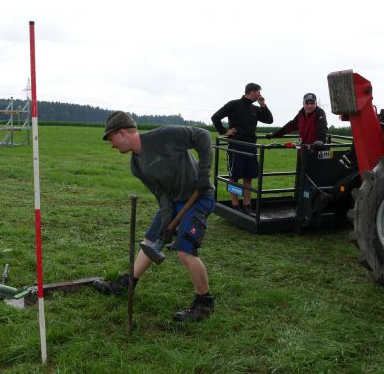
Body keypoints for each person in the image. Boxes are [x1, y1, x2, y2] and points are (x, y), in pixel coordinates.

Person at [93, 111, 216, 322]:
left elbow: (203, 135)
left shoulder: (163, 137)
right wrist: (167, 221)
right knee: (151, 240)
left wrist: (203, 174)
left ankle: (204, 303)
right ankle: (127, 284)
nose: (112, 145)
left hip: (198, 197)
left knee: (185, 251)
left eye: (111, 138)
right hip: (174, 201)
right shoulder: (136, 165)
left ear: (121, 133)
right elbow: (161, 194)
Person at [211, 83, 273, 213]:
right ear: (252, 92)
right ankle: (235, 205)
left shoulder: (254, 108)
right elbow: (215, 117)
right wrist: (224, 131)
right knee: (234, 177)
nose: (260, 95)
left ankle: (246, 205)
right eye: (258, 92)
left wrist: (263, 105)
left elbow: (269, 120)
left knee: (248, 177)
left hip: (251, 146)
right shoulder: (233, 104)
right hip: (236, 146)